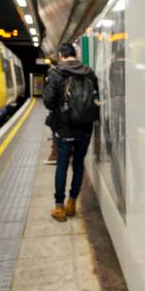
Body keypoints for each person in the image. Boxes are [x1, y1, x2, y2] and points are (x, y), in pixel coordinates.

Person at [43, 43, 99, 222]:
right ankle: (72, 202)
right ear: (75, 54)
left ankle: (59, 208)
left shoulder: (56, 73)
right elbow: (96, 97)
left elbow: (49, 103)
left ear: (60, 56)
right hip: (85, 127)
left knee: (62, 165)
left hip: (64, 127)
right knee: (78, 164)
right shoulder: (89, 73)